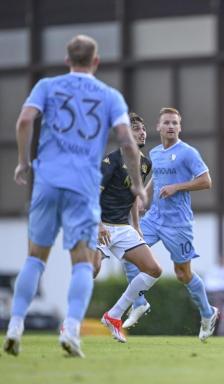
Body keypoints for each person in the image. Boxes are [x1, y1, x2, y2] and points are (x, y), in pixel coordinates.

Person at [3, 35, 146, 358]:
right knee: (82, 262)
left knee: (35, 257)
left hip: (48, 181)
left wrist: (24, 162)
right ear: (96, 62)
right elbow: (127, 141)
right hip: (82, 186)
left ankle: (14, 327)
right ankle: (70, 329)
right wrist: (137, 184)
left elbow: (25, 120)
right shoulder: (110, 96)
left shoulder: (47, 86)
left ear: (67, 60)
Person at [127, 107, 219, 342]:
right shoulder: (155, 153)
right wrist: (142, 197)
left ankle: (208, 313)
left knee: (183, 274)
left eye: (174, 123)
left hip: (178, 224)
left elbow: (206, 181)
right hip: (154, 219)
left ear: (179, 128)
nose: (170, 126)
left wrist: (177, 187)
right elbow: (156, 177)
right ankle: (139, 303)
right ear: (158, 127)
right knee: (129, 252)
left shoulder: (188, 153)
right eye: (166, 122)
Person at [93, 112, 162, 342]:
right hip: (99, 225)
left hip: (123, 228)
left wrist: (137, 226)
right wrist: (99, 225)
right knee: (90, 271)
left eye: (142, 128)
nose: (142, 132)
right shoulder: (111, 161)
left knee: (154, 270)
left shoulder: (144, 163)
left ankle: (113, 316)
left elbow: (134, 196)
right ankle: (69, 325)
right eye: (135, 128)